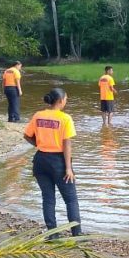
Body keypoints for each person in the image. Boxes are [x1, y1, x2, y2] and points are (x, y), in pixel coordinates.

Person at [23, 88, 82, 238]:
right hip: (59, 162)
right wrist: (68, 168)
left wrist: (40, 145)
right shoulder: (65, 118)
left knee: (48, 198)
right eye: (66, 99)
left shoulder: (38, 115)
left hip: (41, 160)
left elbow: (27, 135)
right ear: (61, 100)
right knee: (71, 199)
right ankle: (77, 234)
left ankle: (52, 233)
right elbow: (67, 144)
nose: (66, 102)